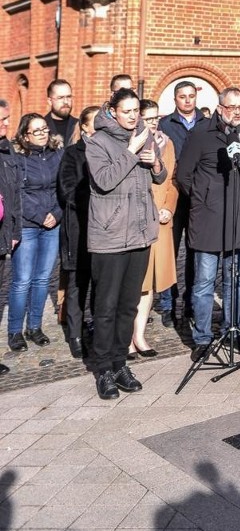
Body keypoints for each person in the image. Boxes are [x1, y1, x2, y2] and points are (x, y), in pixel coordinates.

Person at [84, 87, 166, 400]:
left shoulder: (144, 134)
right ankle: (103, 368)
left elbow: (159, 177)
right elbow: (104, 181)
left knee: (128, 304)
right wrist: (131, 153)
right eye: (127, 111)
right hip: (109, 235)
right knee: (106, 306)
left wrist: (154, 162)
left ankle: (120, 363)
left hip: (140, 232)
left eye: (136, 111)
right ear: (113, 111)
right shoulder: (97, 142)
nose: (133, 116)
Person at [176, 87, 240, 362]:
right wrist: (204, 200)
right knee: (204, 282)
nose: (237, 112)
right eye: (231, 107)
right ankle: (202, 338)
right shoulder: (200, 134)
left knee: (235, 279)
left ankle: (232, 328)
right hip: (209, 220)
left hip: (239, 217)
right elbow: (184, 176)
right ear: (219, 108)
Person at [7, 113, 63, 352]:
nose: (42, 134)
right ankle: (14, 331)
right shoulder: (18, 158)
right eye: (36, 131)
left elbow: (65, 187)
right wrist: (40, 215)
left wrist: (56, 213)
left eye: (44, 130)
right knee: (22, 280)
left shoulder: (57, 154)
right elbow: (17, 193)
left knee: (42, 278)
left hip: (53, 224)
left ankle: (35, 326)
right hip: (28, 225)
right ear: (25, 134)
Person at [129, 100, 178, 358]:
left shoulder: (166, 143)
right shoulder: (130, 144)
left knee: (149, 284)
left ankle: (139, 335)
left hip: (159, 219)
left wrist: (169, 207)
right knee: (134, 281)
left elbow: (172, 180)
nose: (153, 123)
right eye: (148, 118)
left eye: (155, 118)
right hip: (136, 221)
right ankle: (126, 337)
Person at [158, 79, 205, 325]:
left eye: (190, 96)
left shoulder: (206, 124)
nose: (187, 100)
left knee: (196, 253)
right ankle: (168, 304)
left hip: (199, 198)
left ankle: (191, 303)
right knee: (170, 252)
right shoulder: (165, 125)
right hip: (174, 195)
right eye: (182, 96)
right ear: (175, 99)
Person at [57, 105, 99, 359]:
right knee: (76, 284)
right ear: (84, 126)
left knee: (100, 283)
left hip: (104, 230)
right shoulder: (73, 153)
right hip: (78, 226)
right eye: (95, 122)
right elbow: (67, 190)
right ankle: (75, 334)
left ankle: (96, 329)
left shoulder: (109, 150)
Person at [0, 99, 20, 374]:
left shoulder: (7, 149)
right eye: (2, 119)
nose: (7, 124)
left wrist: (14, 231)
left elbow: (14, 195)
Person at [44, 79, 78, 146]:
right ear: (50, 101)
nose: (66, 102)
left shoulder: (80, 126)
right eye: (60, 98)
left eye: (68, 97)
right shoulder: (40, 128)